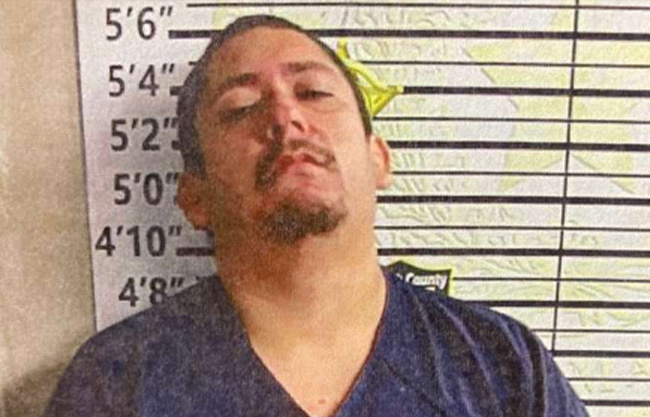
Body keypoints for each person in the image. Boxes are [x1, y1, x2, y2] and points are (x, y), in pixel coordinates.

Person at [44, 15, 589, 417]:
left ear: (378, 158)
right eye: (241, 108)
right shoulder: (117, 383)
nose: (285, 116)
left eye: (313, 91)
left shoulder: (502, 368)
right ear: (195, 197)